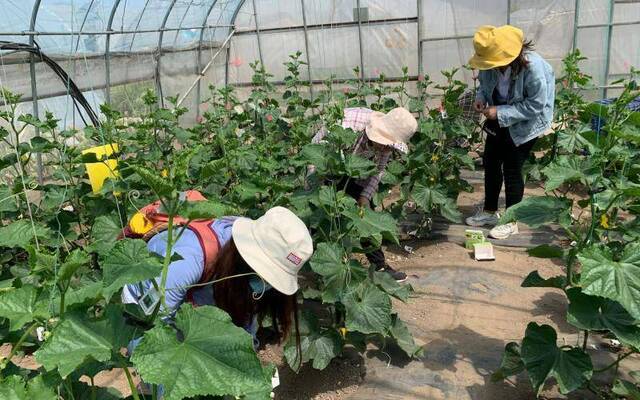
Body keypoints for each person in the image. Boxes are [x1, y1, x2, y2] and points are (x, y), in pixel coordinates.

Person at [122, 205, 313, 354]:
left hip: (207, 287)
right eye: (265, 274)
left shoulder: (250, 258)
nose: (266, 284)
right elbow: (150, 330)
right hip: (143, 304)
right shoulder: (184, 262)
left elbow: (243, 324)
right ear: (247, 258)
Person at [465, 25, 555, 239]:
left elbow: (536, 105)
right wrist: (481, 99)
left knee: (512, 169)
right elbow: (484, 86)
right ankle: (489, 211)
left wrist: (500, 111)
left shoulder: (533, 68)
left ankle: (511, 220)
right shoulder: (490, 64)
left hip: (527, 122)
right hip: (498, 116)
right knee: (491, 162)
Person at [307, 107, 417, 282]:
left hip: (354, 174)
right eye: (386, 144)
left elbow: (378, 170)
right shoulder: (348, 123)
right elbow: (315, 151)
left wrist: (365, 197)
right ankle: (307, 262)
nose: (387, 149)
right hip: (326, 169)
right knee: (317, 218)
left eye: (391, 146)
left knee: (366, 219)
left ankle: (379, 266)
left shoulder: (386, 147)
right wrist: (313, 187)